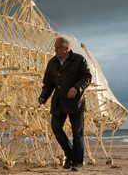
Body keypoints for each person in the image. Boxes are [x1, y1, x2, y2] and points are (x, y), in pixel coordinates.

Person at [38, 36, 92, 171]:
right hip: (59, 101)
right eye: (55, 47)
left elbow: (87, 77)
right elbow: (48, 83)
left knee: (77, 133)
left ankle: (77, 162)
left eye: (58, 47)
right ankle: (70, 155)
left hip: (76, 102)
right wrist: (43, 96)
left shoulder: (79, 60)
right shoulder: (52, 63)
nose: (55, 50)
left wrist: (76, 87)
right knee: (56, 127)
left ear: (67, 49)